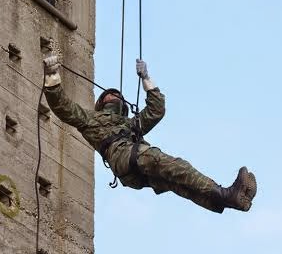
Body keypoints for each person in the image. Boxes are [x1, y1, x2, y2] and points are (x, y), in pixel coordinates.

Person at [43, 56, 257, 214]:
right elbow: (64, 108)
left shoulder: (130, 124)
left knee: (178, 183)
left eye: (117, 95)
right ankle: (226, 194)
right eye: (109, 95)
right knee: (177, 166)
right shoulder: (90, 120)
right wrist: (52, 76)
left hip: (133, 167)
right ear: (101, 105)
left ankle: (230, 200)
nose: (114, 95)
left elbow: (156, 110)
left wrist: (146, 78)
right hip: (127, 157)